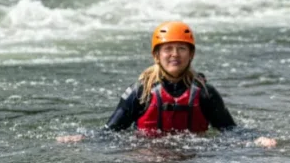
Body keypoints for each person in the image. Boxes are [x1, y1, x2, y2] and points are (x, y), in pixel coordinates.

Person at [57, 21, 276, 146]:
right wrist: (83, 137)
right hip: (149, 156)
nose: (175, 55)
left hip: (193, 160)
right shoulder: (140, 92)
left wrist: (257, 139)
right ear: (156, 56)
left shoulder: (205, 93)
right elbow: (111, 131)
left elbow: (229, 130)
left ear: (191, 55)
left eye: (181, 49)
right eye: (168, 49)